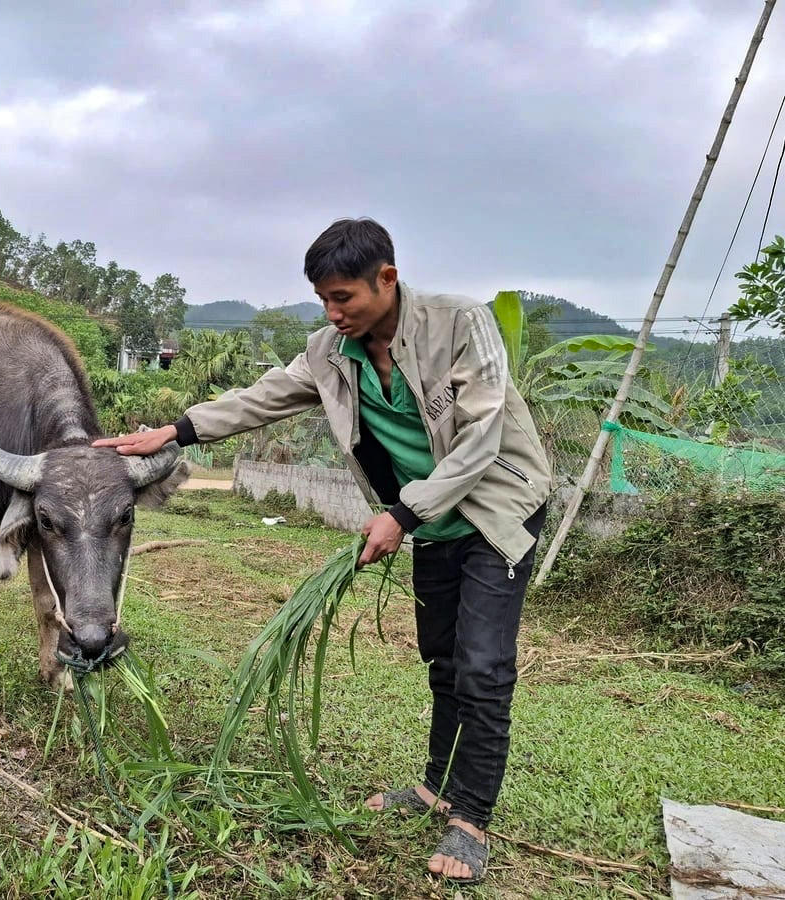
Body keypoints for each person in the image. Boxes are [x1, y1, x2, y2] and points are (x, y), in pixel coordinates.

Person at [93, 217, 551, 884]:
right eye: (323, 299)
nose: (333, 313)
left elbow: (481, 437)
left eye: (343, 297)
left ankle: (472, 817)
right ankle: (435, 788)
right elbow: (262, 399)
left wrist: (401, 515)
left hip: (496, 511)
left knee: (483, 666)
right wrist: (174, 431)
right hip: (431, 523)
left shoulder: (461, 323)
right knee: (446, 661)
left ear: (386, 279)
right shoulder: (330, 351)